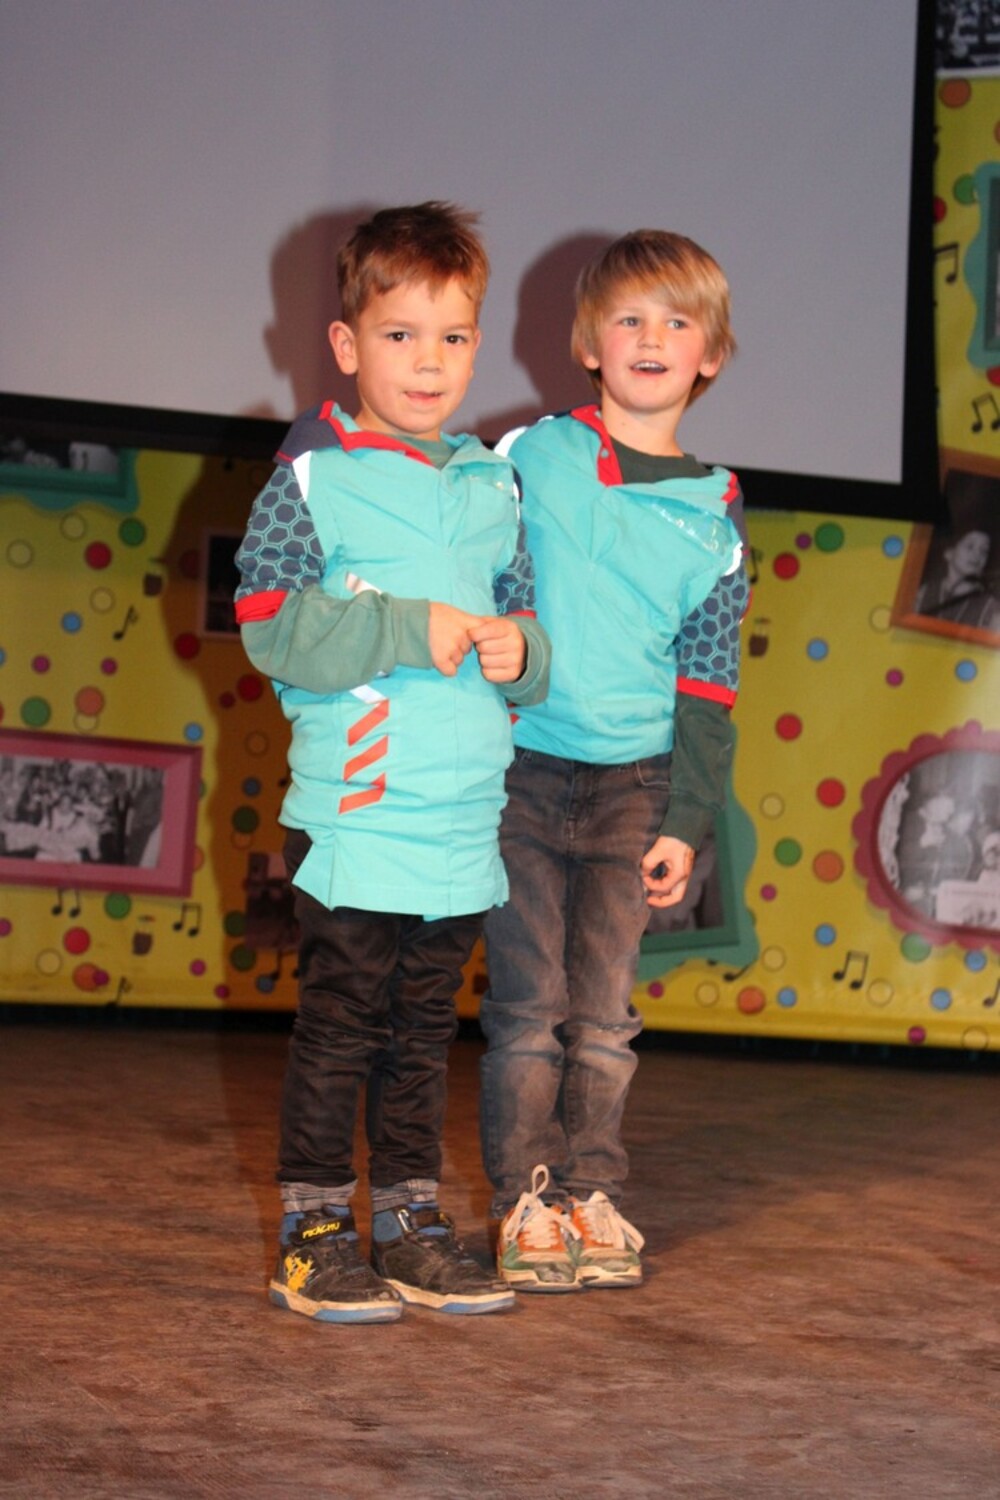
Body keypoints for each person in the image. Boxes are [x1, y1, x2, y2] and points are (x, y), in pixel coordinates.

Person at [234, 202, 550, 1324]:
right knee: (342, 1027)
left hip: (459, 821)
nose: (429, 362)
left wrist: (523, 656)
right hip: (359, 814)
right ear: (346, 344)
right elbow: (269, 625)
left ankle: (410, 1223)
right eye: (401, 335)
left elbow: (527, 629)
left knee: (421, 1036)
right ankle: (315, 1231)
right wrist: (407, 628)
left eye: (453, 337)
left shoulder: (493, 485)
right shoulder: (315, 476)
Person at [479, 230, 749, 1292]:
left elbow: (709, 682)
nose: (651, 337)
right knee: (525, 1011)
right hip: (520, 770)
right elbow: (477, 581)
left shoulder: (716, 509)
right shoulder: (527, 455)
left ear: (710, 354)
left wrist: (686, 820)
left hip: (637, 788)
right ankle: (524, 1203)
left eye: (677, 322)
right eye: (629, 318)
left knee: (602, 1020)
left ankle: (593, 1195)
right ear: (589, 342)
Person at [915, 527, 1000, 631]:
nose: (977, 555)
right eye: (970, 546)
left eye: (984, 551)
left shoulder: (991, 608)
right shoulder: (922, 593)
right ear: (949, 553)